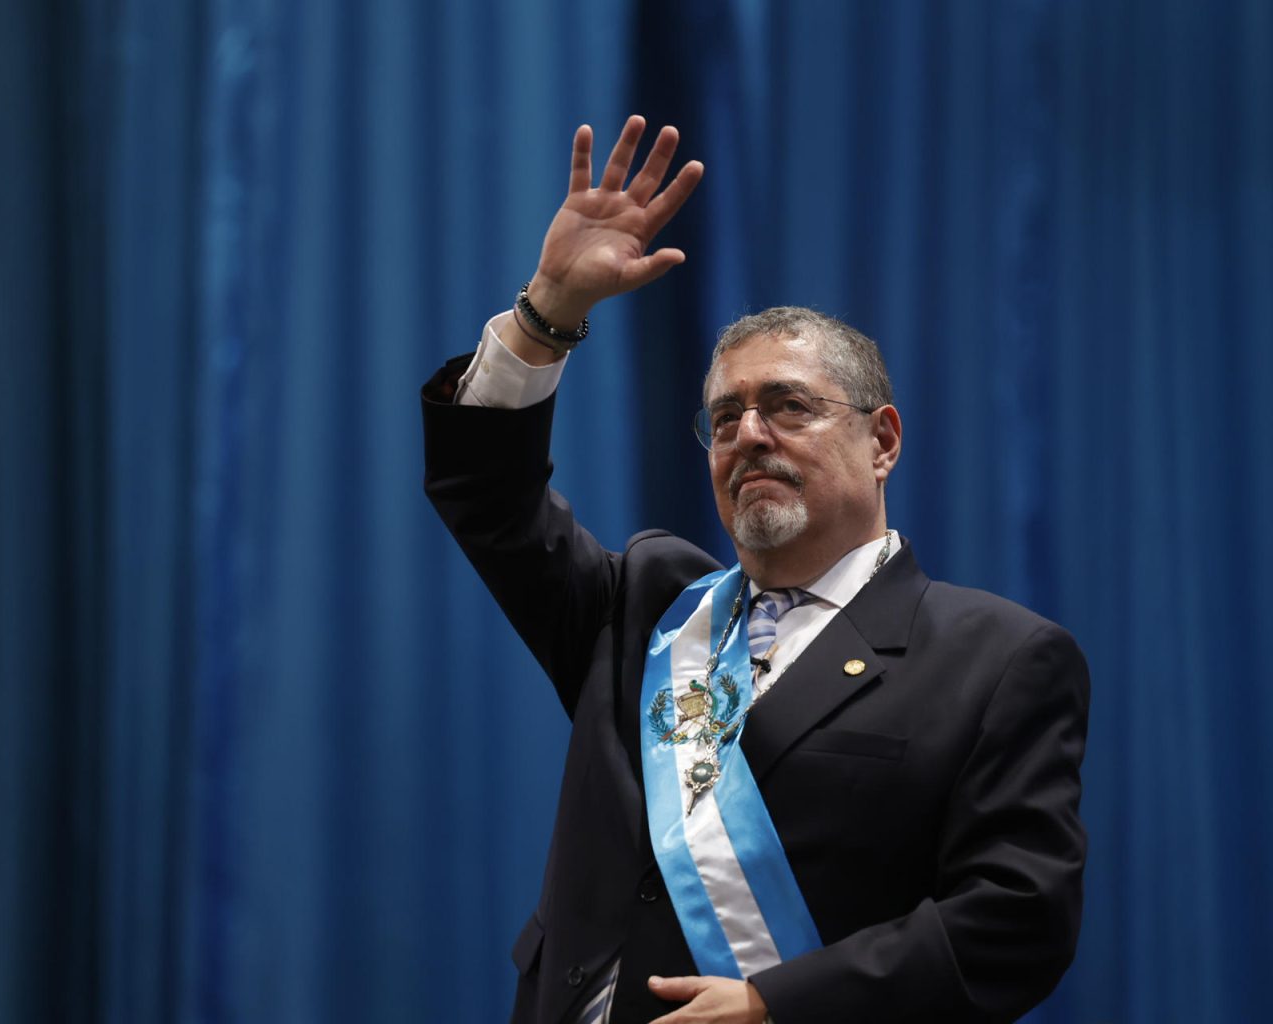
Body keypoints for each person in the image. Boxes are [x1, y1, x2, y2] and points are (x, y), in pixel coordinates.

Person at [421, 116, 1089, 1024]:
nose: (750, 436)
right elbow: (490, 502)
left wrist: (780, 1005)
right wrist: (548, 312)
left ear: (882, 440)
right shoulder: (646, 608)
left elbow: (1018, 919)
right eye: (725, 416)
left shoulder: (996, 657)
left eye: (788, 406)